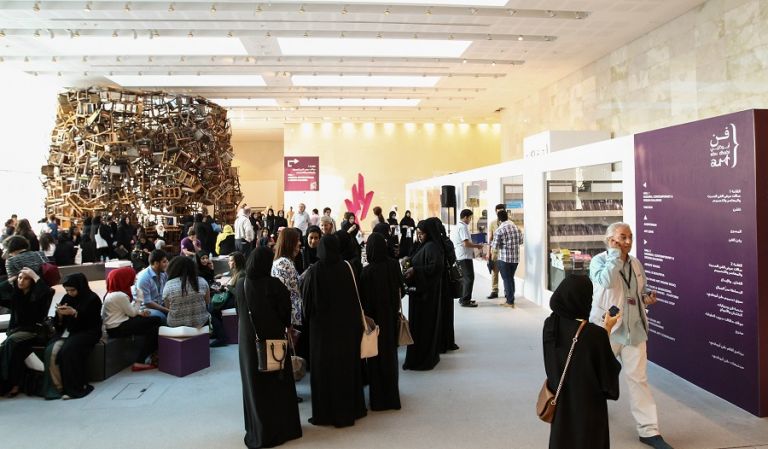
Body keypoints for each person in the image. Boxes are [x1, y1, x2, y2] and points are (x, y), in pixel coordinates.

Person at [589, 223, 674, 449]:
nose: (627, 242)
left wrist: (646, 297)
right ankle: (589, 418)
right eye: (622, 237)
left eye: (630, 237)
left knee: (639, 380)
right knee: (596, 378)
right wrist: (615, 255)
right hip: (607, 329)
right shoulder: (598, 261)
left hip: (634, 330)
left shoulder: (636, 263)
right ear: (610, 240)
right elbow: (606, 282)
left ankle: (649, 431)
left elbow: (639, 290)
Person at [543, 275, 621, 449]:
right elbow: (607, 376)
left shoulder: (550, 325)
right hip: (588, 407)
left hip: (560, 399)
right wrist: (607, 328)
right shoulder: (594, 335)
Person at [236, 247, 303, 448]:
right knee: (278, 383)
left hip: (249, 343)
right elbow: (285, 315)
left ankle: (259, 429)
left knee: (255, 385)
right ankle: (285, 428)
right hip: (274, 342)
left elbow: (240, 312)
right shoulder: (274, 285)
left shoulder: (241, 284)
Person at [300, 235, 367, 427]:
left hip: (322, 332)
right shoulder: (347, 267)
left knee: (324, 370)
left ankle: (326, 413)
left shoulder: (315, 270)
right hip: (346, 329)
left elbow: (308, 305)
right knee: (346, 367)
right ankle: (352, 408)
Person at [42, 273, 102, 400]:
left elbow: (92, 322)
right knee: (50, 350)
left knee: (68, 351)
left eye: (72, 290)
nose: (70, 293)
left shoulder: (92, 299)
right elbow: (59, 323)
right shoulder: (67, 297)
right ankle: (56, 387)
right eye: (67, 290)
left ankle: (74, 387)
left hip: (87, 332)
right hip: (68, 331)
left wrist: (75, 313)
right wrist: (60, 315)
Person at [361, 233, 403, 411]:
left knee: (375, 358)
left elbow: (363, 300)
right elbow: (402, 290)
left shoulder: (367, 271)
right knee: (390, 357)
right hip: (391, 317)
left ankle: (378, 400)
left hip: (373, 322)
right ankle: (392, 396)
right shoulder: (393, 265)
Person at [0, 268, 53, 397]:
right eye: (19, 278)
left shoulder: (38, 296)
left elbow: (48, 291)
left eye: (26, 278)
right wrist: (9, 280)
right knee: (15, 349)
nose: (21, 281)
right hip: (17, 332)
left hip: (34, 331)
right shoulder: (16, 296)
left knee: (11, 343)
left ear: (32, 281)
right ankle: (14, 384)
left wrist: (35, 276)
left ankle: (6, 382)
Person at [101, 267, 162, 371]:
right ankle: (141, 360)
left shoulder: (111, 293)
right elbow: (132, 313)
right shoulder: (120, 295)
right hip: (118, 327)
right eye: (132, 277)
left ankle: (143, 359)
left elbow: (126, 311)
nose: (135, 279)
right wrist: (139, 298)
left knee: (153, 327)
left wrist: (140, 313)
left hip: (117, 326)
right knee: (156, 322)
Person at [402, 219, 444, 371]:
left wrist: (416, 270)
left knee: (423, 329)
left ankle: (423, 359)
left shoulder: (432, 247)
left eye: (422, 233)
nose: (419, 236)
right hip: (419, 295)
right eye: (417, 233)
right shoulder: (423, 246)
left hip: (426, 297)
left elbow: (436, 267)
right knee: (417, 328)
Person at [271, 228, 304, 355]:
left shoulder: (287, 261)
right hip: (290, 316)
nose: (300, 243)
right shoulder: (283, 263)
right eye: (297, 241)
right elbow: (284, 293)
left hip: (292, 315)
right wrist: (288, 323)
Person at [209, 251, 245, 347]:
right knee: (212, 309)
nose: (229, 263)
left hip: (235, 301)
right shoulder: (236, 272)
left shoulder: (241, 274)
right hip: (231, 298)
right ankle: (219, 332)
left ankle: (222, 337)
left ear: (237, 262)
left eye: (231, 261)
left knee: (211, 310)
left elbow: (238, 293)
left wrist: (228, 287)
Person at [163, 256, 210, 328]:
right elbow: (207, 301)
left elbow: (168, 307)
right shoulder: (202, 281)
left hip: (175, 326)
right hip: (201, 323)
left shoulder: (169, 285)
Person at [491, 209, 523, 308]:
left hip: (504, 259)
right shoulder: (516, 228)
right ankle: (511, 299)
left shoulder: (499, 230)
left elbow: (495, 246)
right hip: (515, 259)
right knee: (510, 278)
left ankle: (510, 301)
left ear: (499, 219)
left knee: (507, 279)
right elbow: (521, 242)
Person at [452, 209, 483, 307]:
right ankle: (465, 300)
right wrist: (477, 246)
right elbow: (466, 243)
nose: (470, 220)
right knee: (469, 278)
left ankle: (463, 298)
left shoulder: (459, 226)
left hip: (462, 256)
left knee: (466, 278)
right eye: (470, 218)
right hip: (464, 256)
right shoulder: (462, 227)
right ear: (465, 217)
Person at [136, 249, 169, 323]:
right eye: (164, 262)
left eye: (167, 261)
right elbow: (147, 303)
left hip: (160, 304)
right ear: (156, 263)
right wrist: (167, 310)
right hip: (145, 308)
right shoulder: (144, 278)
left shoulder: (163, 273)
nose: (167, 263)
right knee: (162, 317)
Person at [486, 204, 506, 299]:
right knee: (494, 272)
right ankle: (494, 291)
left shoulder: (509, 223)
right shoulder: (492, 223)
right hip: (495, 251)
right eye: (497, 211)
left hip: (505, 251)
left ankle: (507, 291)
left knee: (506, 272)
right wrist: (488, 252)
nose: (499, 213)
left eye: (501, 211)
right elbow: (490, 238)